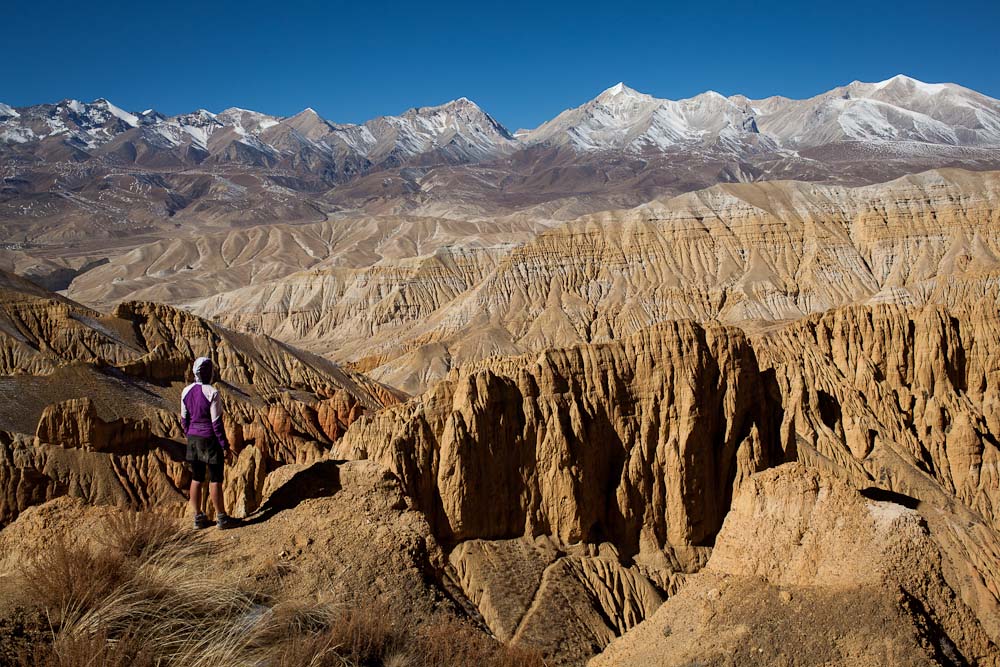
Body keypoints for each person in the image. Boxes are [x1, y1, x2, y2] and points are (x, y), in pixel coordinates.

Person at [181, 356, 240, 529]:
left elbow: (184, 419)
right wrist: (225, 446)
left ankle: (198, 517)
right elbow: (216, 423)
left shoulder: (185, 391)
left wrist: (190, 434)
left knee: (196, 478)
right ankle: (221, 518)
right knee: (215, 479)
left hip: (193, 439)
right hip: (210, 440)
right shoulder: (212, 392)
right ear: (208, 373)